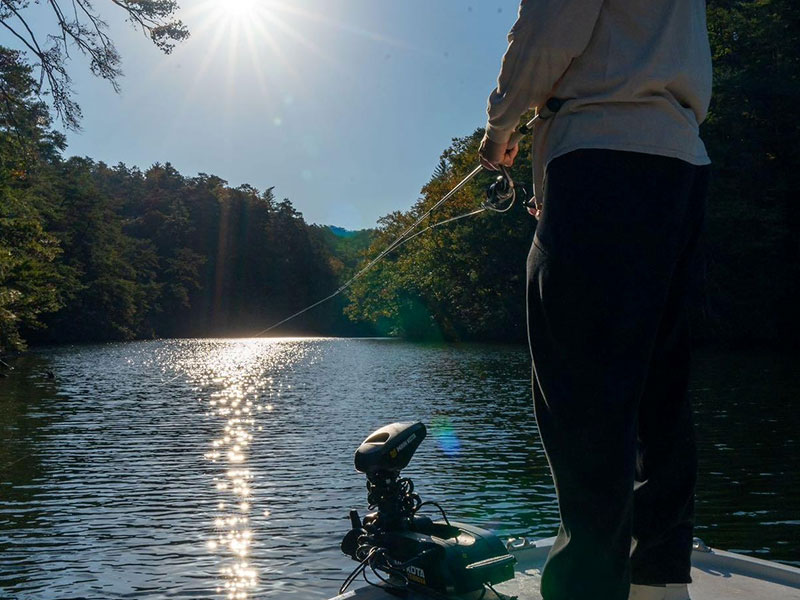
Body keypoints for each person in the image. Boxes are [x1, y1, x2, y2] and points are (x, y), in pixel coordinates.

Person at [478, 2, 712, 600]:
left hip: (599, 155)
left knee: (582, 388)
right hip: (682, 165)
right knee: (660, 383)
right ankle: (658, 580)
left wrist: (500, 127)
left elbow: (549, 30)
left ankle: (587, 586)